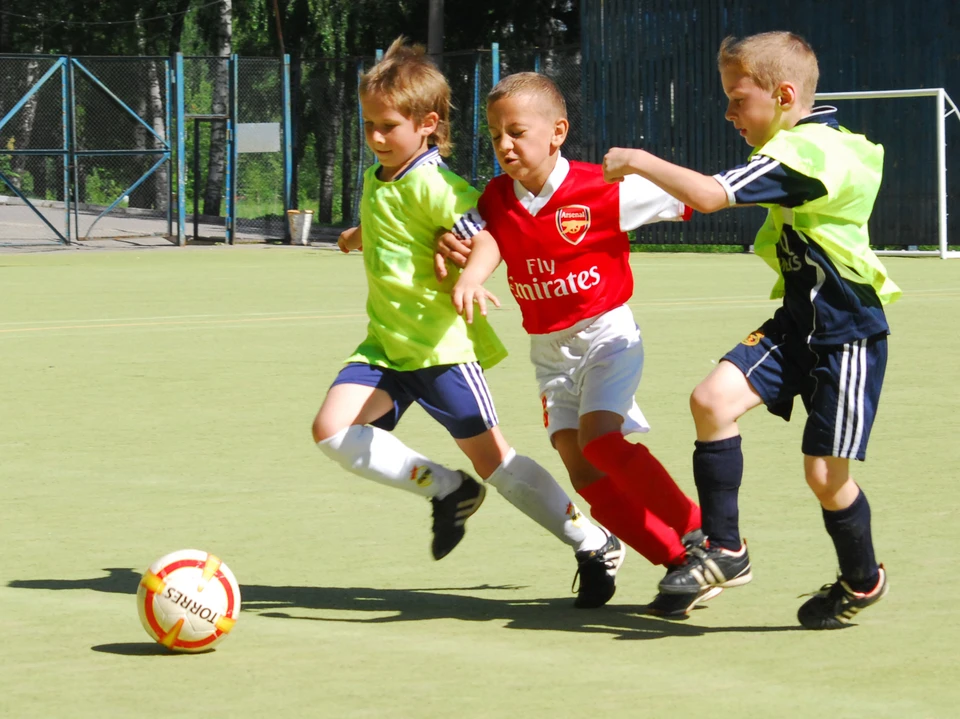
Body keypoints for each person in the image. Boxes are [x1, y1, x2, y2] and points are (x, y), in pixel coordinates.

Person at [311, 38, 625, 609]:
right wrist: (365, 234)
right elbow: (395, 219)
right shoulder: (383, 175)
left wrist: (471, 275)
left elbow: (483, 232)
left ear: (428, 124)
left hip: (441, 349)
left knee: (498, 464)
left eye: (386, 126)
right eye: (368, 125)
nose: (375, 137)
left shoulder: (438, 184)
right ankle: (448, 487)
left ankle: (592, 540)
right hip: (385, 345)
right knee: (331, 431)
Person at [602, 31, 900, 629]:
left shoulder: (810, 153)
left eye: (738, 99)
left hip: (847, 335)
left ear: (784, 94)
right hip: (798, 326)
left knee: (824, 477)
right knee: (711, 400)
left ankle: (862, 580)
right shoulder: (802, 147)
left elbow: (712, 197)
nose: (730, 112)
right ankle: (726, 549)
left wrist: (637, 160)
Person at [440, 72, 716, 617]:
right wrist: (454, 252)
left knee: (600, 443)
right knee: (580, 464)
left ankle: (705, 538)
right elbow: (472, 233)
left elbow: (699, 197)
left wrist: (759, 198)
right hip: (548, 350)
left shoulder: (600, 188)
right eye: (495, 134)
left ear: (557, 131)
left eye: (516, 131)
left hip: (606, 335)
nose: (504, 145)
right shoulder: (496, 196)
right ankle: (674, 563)